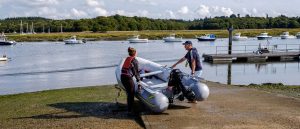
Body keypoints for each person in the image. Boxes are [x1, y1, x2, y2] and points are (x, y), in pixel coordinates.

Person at [121, 47, 141, 115]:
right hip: (127, 78)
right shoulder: (134, 61)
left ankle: (129, 109)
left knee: (129, 93)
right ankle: (130, 111)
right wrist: (139, 81)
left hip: (122, 77)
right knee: (131, 94)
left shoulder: (127, 59)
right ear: (135, 53)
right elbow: (136, 72)